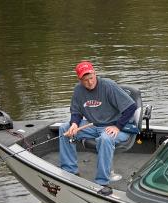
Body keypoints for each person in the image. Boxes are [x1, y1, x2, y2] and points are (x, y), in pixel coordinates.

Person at [59, 60, 137, 195]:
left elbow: (131, 107)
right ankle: (70, 171)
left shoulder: (108, 86)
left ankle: (102, 182)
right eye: (85, 80)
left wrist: (117, 127)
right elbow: (76, 112)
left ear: (95, 73)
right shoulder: (78, 90)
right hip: (93, 125)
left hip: (117, 127)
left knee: (105, 139)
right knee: (64, 128)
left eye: (91, 78)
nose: (90, 82)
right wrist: (74, 124)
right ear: (80, 79)